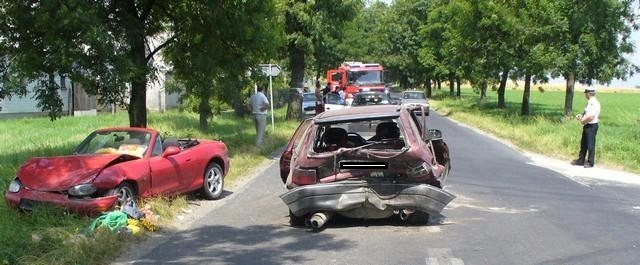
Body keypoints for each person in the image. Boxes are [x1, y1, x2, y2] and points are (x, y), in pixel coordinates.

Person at [571, 86, 601, 168]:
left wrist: (583, 121)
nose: (585, 95)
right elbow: (587, 114)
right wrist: (581, 116)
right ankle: (581, 160)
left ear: (588, 94)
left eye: (585, 93)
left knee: (590, 144)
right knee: (583, 143)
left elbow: (591, 117)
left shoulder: (594, 103)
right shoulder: (589, 102)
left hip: (591, 126)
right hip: (587, 125)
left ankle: (590, 162)